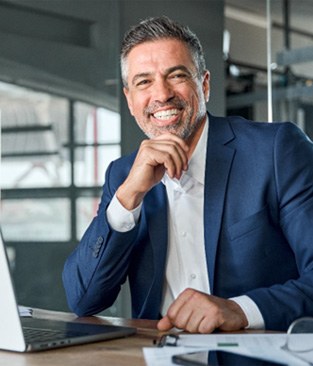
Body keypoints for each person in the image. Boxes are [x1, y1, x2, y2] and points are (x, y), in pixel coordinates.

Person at [63, 16, 313, 333]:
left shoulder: (276, 150)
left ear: (204, 85)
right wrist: (128, 197)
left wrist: (240, 310)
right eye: (144, 82)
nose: (162, 94)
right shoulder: (123, 175)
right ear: (130, 99)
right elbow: (84, 299)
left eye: (176, 75)